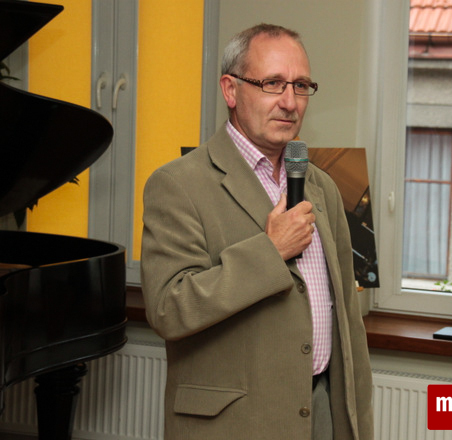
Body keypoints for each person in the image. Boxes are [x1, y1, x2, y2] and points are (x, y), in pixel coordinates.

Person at [141, 23, 373, 440]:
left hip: (321, 410)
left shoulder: (321, 186)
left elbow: (348, 323)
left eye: (301, 86)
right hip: (234, 424)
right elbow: (168, 309)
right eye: (273, 83)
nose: (290, 102)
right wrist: (270, 250)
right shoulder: (177, 184)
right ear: (230, 90)